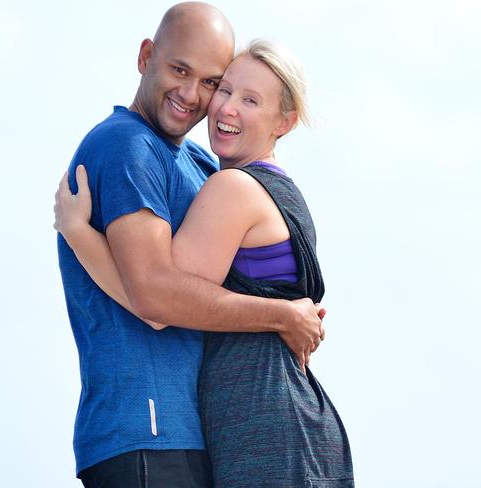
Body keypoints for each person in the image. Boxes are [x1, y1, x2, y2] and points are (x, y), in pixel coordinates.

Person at [56, 38, 354, 486]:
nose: (226, 107)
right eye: (226, 89)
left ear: (285, 122)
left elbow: (159, 301)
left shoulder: (230, 187)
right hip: (291, 417)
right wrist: (283, 315)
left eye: (250, 100)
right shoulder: (274, 189)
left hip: (265, 422)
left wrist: (79, 235)